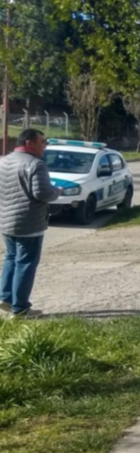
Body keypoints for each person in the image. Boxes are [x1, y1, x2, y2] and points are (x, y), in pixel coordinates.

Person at [0, 129, 61, 318]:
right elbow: (42, 193)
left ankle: (6, 298)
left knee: (11, 258)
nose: (45, 145)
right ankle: (20, 309)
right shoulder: (36, 164)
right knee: (26, 263)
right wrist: (57, 191)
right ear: (30, 143)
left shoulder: (3, 161)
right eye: (42, 141)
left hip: (6, 220)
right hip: (29, 222)